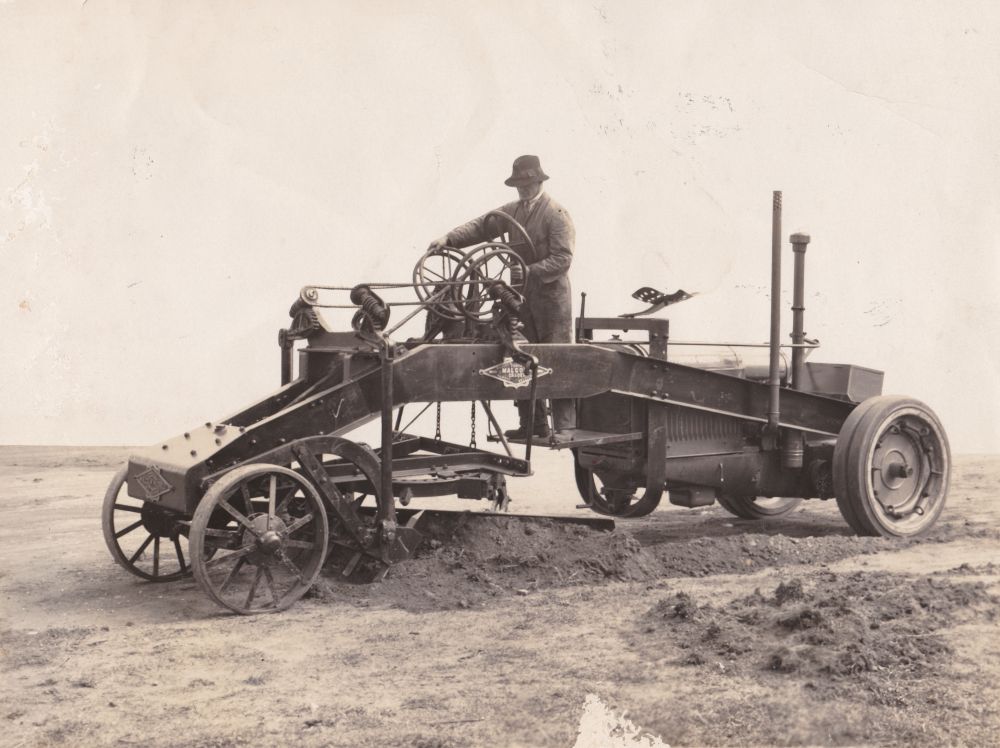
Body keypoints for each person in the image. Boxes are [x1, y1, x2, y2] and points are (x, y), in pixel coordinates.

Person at [428, 154, 576, 438]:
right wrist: (449, 239)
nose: (523, 189)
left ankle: (566, 428)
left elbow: (563, 259)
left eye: (527, 183)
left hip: (552, 299)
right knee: (518, 353)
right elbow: (482, 226)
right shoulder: (512, 212)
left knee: (557, 358)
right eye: (518, 184)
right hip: (519, 296)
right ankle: (532, 425)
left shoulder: (556, 214)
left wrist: (527, 270)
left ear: (538, 181)